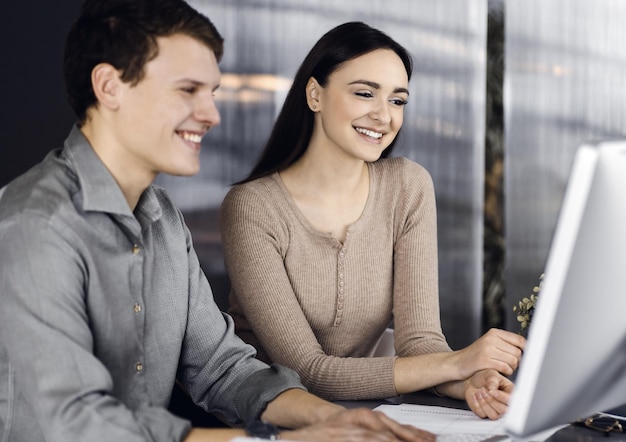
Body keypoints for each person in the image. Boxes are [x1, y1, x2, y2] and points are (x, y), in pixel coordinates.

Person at [0, 2, 437, 441]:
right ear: (110, 87)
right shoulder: (34, 225)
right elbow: (78, 424)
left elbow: (222, 367)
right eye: (188, 90)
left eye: (211, 92)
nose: (212, 114)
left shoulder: (164, 219)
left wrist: (331, 419)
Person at [219, 21, 526, 419]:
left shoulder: (407, 186)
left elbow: (420, 342)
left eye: (398, 101)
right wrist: (458, 362)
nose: (384, 116)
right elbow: (307, 373)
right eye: (365, 94)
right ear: (315, 94)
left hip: (363, 413)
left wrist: (469, 382)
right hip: (272, 417)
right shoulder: (252, 207)